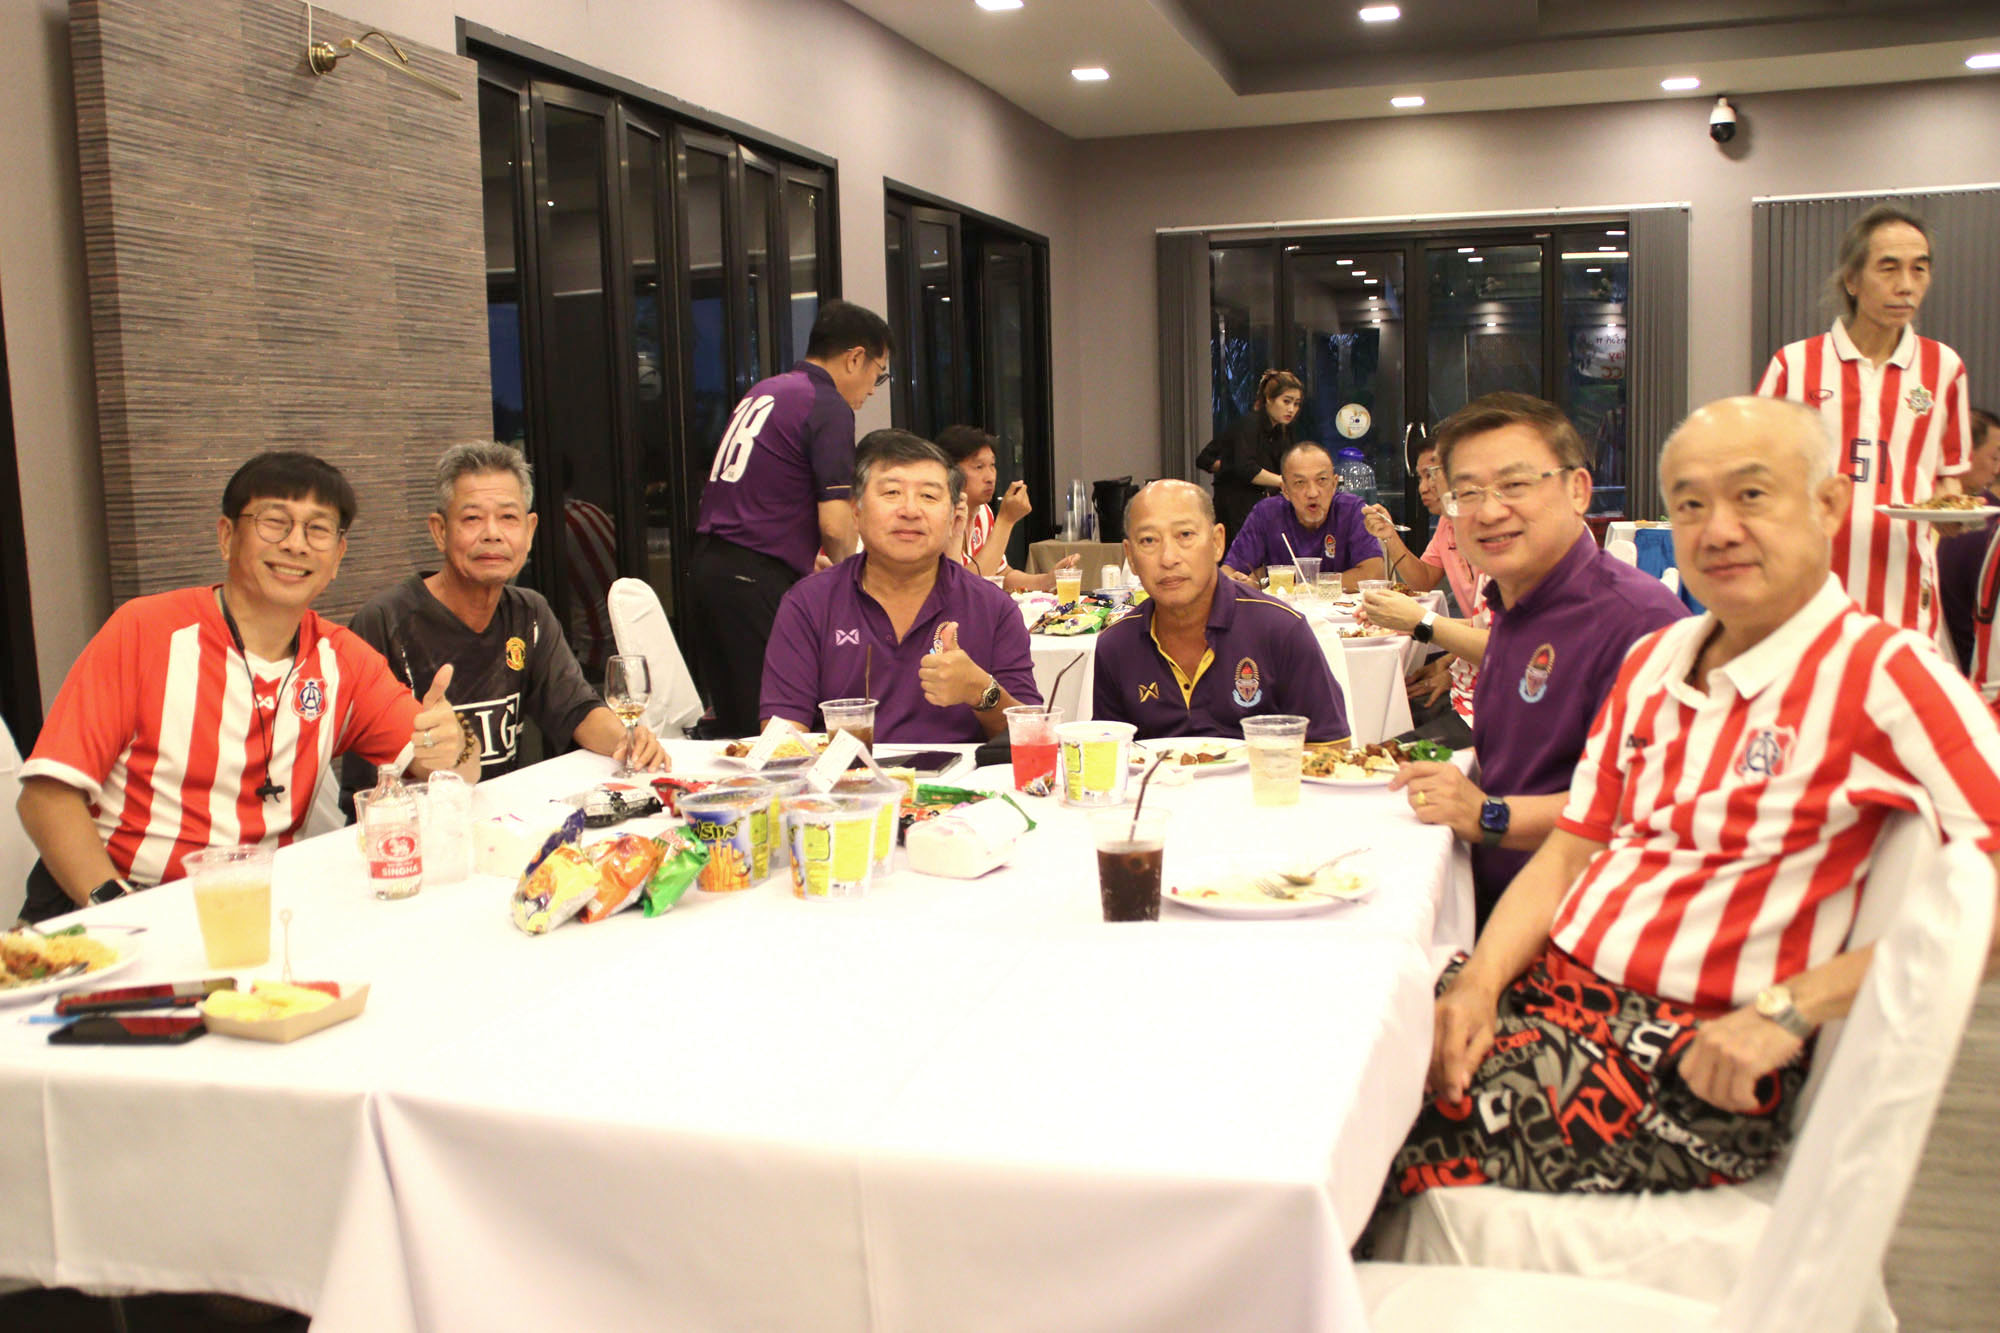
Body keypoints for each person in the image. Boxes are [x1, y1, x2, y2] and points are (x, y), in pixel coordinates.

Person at [1385, 396, 2000, 1205]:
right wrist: (1481, 983)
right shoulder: (1660, 658)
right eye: (1690, 504)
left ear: (1827, 504)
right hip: (1555, 993)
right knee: (1336, 1033)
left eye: (1752, 495)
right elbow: (1572, 847)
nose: (1718, 529)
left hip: (1681, 1053)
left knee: (1352, 1131)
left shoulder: (1888, 675)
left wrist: (1790, 1007)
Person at [15, 451, 474, 923]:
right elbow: (46, 797)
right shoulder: (146, 632)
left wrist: (453, 742)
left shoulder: (343, 660)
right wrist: (116, 905)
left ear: (338, 557)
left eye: (317, 529)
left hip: (253, 908)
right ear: (227, 536)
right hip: (118, 901)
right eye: (275, 522)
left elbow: (457, 770)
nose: (296, 544)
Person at [1388, 393, 1686, 928]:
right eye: (1468, 493)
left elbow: (1654, 806)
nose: (1489, 511)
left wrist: (1487, 813)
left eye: (1515, 484)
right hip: (1487, 891)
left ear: (1578, 490)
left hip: (1581, 926)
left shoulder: (1637, 621)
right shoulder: (1512, 605)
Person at [343, 442, 666, 804]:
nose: (492, 533)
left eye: (508, 518)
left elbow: (576, 709)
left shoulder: (529, 613)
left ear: (529, 531)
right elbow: (366, 782)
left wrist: (627, 739)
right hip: (416, 823)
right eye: (472, 519)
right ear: (440, 531)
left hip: (502, 817)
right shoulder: (384, 622)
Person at [1756, 204, 1974, 640]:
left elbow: (1948, 478)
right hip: (1805, 592)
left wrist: (1950, 511)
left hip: (1905, 592)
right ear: (1851, 280)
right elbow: (1755, 474)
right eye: (1888, 269)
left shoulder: (1945, 368)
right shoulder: (1793, 366)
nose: (1906, 285)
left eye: (1919, 269)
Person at [687, 299, 892, 736]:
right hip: (753, 576)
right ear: (855, 357)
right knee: (773, 724)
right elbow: (835, 524)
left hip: (710, 567)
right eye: (879, 373)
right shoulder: (828, 404)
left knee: (735, 720)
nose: (874, 390)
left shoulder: (768, 389)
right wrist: (854, 582)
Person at [760, 430, 1041, 743]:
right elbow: (781, 739)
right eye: (892, 492)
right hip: (846, 773)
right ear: (856, 511)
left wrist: (982, 691)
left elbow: (1032, 737)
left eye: (929, 496)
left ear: (953, 518)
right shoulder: (809, 603)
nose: (910, 510)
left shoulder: (993, 607)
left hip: (962, 775)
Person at [1094, 480, 1348, 741]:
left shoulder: (1281, 629)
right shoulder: (1116, 646)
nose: (1168, 558)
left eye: (1185, 535)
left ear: (1217, 542)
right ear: (1131, 556)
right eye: (1148, 540)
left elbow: (1330, 748)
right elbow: (1106, 756)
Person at [1364, 441, 1484, 747]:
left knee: (1382, 740)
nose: (1423, 486)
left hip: (1488, 706)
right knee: (1383, 710)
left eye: (1432, 473)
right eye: (1421, 476)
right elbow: (1426, 579)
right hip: (1471, 679)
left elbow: (1510, 645)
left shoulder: (1513, 547)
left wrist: (1420, 622)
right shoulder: (1451, 524)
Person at [1220, 441, 1386, 590]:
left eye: (1322, 480)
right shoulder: (1267, 513)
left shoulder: (1352, 510)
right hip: (1283, 612)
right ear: (1285, 490)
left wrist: (1306, 587)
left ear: (1334, 484)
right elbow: (1228, 573)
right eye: (1300, 483)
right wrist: (1241, 583)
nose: (1312, 493)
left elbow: (1374, 575)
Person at [933, 423, 1075, 593]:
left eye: (992, 465)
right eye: (979, 467)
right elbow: (963, 589)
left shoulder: (983, 513)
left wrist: (1046, 580)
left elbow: (1001, 574)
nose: (990, 477)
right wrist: (1006, 520)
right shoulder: (938, 518)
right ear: (950, 472)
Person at [1197, 369, 1301, 545]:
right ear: (1269, 399)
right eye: (1286, 401)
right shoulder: (1249, 424)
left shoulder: (1283, 431)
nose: (1291, 409)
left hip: (1262, 503)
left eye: (1296, 404)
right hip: (1237, 506)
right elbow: (1243, 467)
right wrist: (1282, 482)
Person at [1937, 407, 1999, 668]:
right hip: (1968, 670)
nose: (1997, 468)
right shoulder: (1981, 524)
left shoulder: (1972, 518)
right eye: (1994, 457)